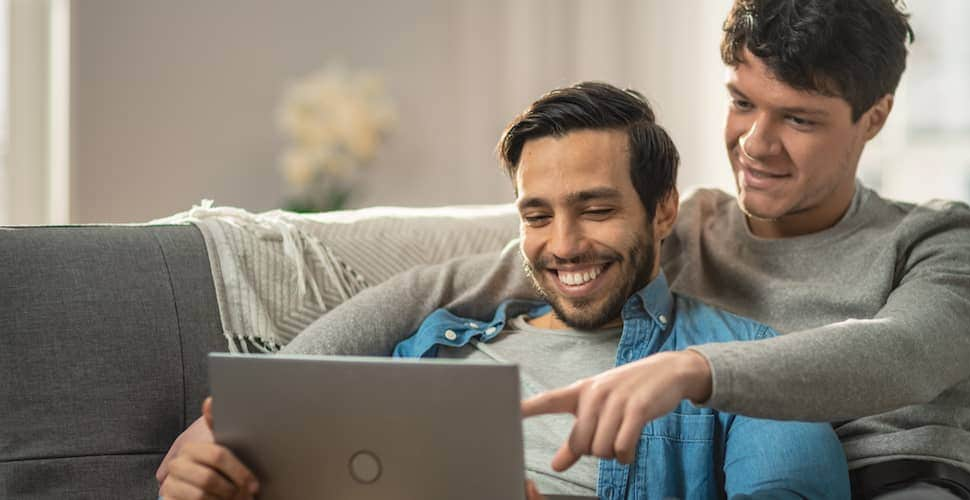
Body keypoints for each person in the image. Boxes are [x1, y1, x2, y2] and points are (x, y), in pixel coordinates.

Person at [162, 0, 970, 498]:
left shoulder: (938, 239)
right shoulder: (683, 232)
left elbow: (900, 354)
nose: (756, 143)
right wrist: (237, 419)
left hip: (912, 475)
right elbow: (446, 285)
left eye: (798, 118)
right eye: (742, 103)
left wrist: (689, 372)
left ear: (873, 119)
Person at [158, 82, 851, 500]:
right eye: (537, 216)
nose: (564, 244)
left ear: (663, 210)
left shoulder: (749, 369)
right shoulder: (431, 346)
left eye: (598, 209)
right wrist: (214, 476)